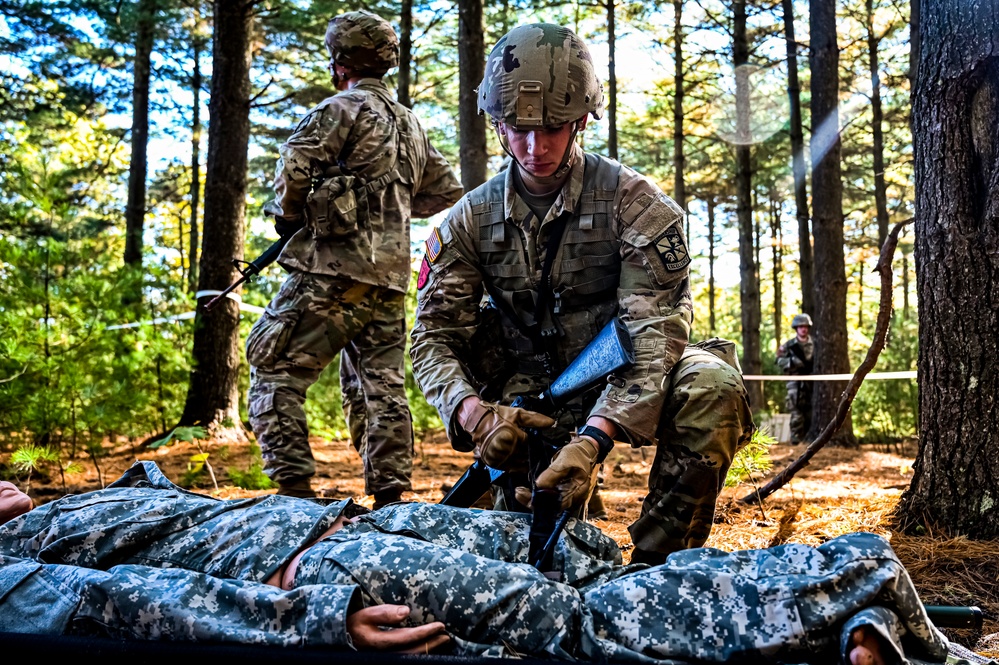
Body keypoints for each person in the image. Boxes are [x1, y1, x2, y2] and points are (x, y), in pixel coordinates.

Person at [0, 463, 956, 665]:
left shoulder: (50, 506)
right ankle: (855, 579)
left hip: (351, 524)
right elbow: (110, 602)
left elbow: (149, 525)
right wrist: (308, 623)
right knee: (575, 629)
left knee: (581, 566)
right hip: (328, 572)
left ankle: (847, 634)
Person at [409, 23, 754, 565]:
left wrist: (594, 441)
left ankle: (656, 566)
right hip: (525, 400)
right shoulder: (468, 219)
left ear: (584, 120)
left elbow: (652, 335)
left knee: (710, 385)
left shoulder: (636, 205)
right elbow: (432, 337)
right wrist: (476, 415)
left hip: (622, 377)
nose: (534, 146)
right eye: (518, 128)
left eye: (553, 127)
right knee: (528, 562)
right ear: (497, 124)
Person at [246, 10, 463, 503]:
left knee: (274, 369)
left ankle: (293, 493)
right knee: (379, 389)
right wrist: (392, 209)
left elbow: (294, 169)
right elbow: (446, 190)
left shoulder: (341, 108)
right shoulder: (412, 124)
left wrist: (293, 216)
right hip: (387, 283)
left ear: (339, 61)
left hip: (331, 273)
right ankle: (389, 501)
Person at [777, 313, 815, 442]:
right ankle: (796, 439)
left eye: (805, 326)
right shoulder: (789, 345)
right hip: (794, 381)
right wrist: (792, 362)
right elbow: (778, 360)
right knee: (796, 409)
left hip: (813, 380)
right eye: (800, 326)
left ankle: (809, 438)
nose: (803, 329)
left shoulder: (816, 344)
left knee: (811, 408)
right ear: (796, 328)